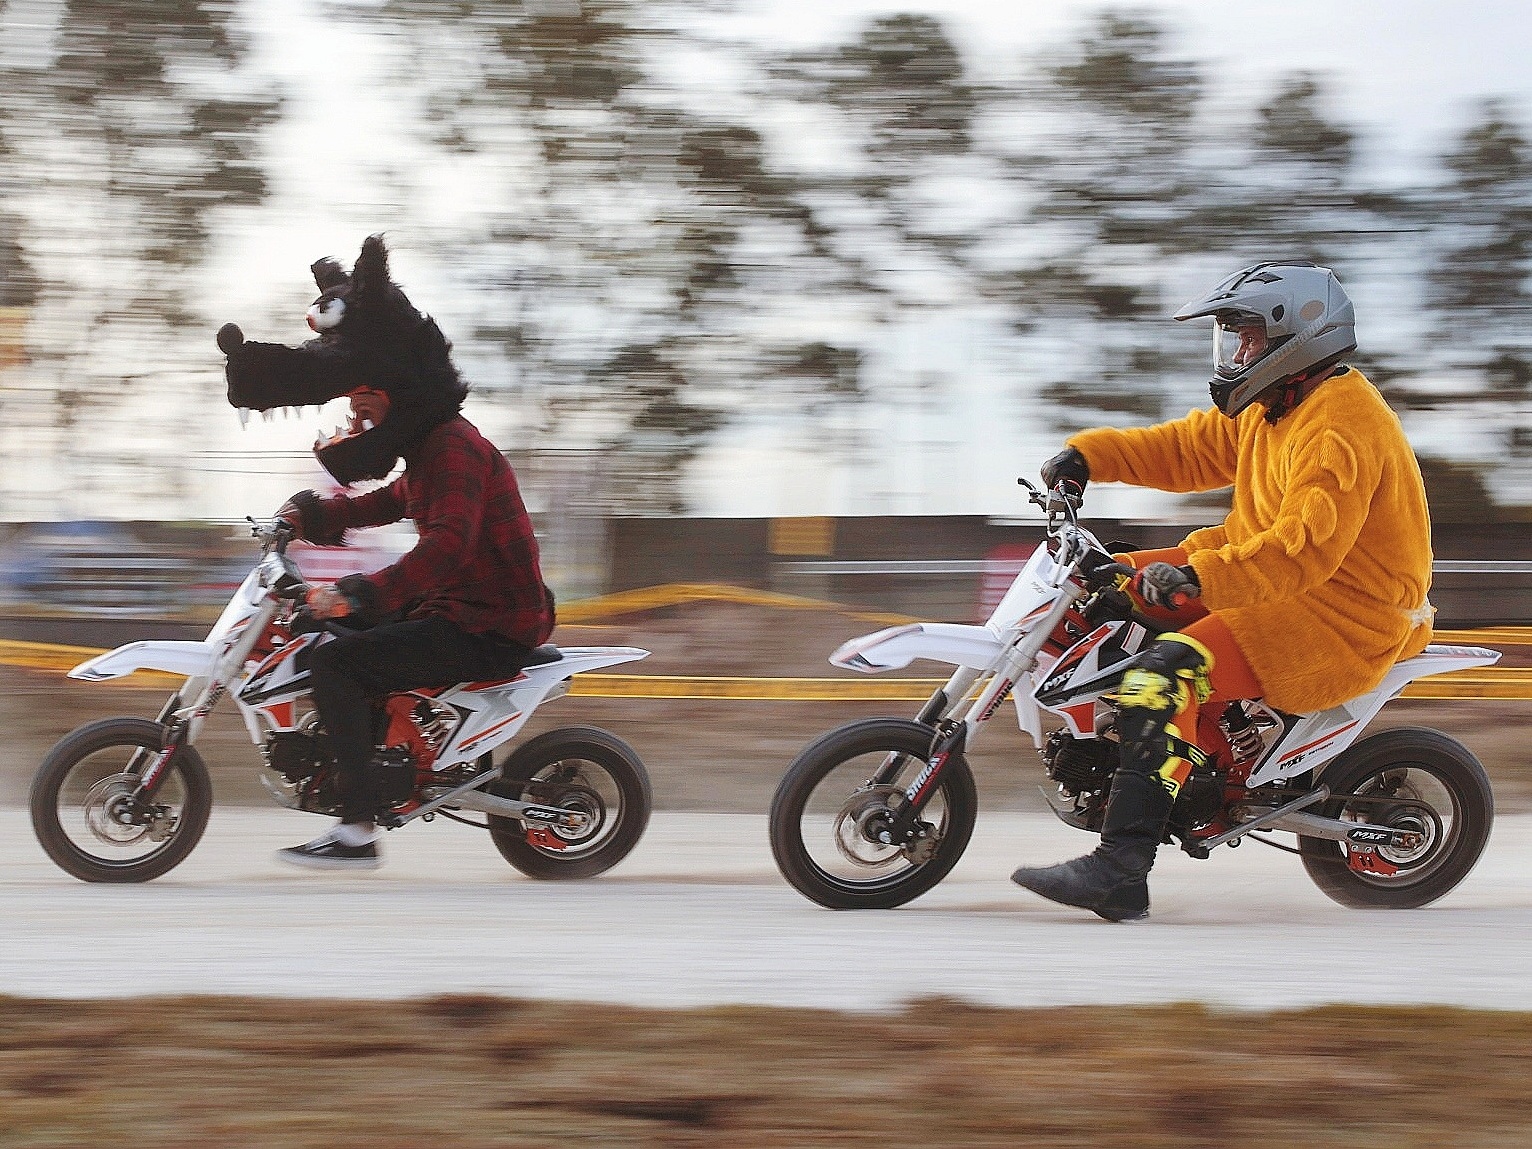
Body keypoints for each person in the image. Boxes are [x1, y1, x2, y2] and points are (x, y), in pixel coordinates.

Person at [1010, 260, 1434, 921]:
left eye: (1246, 339)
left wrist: (1196, 578)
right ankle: (1170, 761)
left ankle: (1121, 871)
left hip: (1341, 615)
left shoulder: (1341, 426)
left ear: (1295, 340)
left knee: (1164, 674)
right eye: (1231, 339)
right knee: (1099, 588)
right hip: (1265, 578)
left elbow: (1302, 550)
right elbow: (1188, 448)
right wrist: (1091, 456)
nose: (1236, 353)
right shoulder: (1275, 407)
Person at [217, 235, 554, 870]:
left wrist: (356, 592)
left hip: (488, 622)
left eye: (363, 390)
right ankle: (373, 758)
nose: (353, 404)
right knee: (319, 634)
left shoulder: (455, 449)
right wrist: (309, 514)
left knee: (338, 667)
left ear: (400, 390)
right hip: (456, 608)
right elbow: (383, 503)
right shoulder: (431, 451)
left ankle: (356, 830)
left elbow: (445, 552)